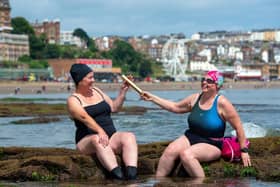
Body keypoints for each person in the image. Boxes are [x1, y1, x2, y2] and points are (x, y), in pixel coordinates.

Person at [141, 70, 251, 178]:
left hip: (212, 143)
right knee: (170, 150)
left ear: (217, 85)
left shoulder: (222, 103)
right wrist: (152, 98)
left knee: (187, 155)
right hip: (191, 137)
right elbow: (175, 107)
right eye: (203, 79)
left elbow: (238, 127)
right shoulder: (195, 98)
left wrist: (244, 151)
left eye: (209, 81)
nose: (204, 82)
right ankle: (158, 182)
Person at [67, 64, 138, 180]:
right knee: (97, 139)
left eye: (93, 77)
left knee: (129, 136)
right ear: (79, 80)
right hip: (87, 142)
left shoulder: (97, 91)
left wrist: (123, 91)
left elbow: (114, 107)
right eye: (90, 77)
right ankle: (118, 177)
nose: (93, 80)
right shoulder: (73, 100)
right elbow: (85, 118)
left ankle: (132, 178)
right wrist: (100, 131)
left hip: (109, 138)